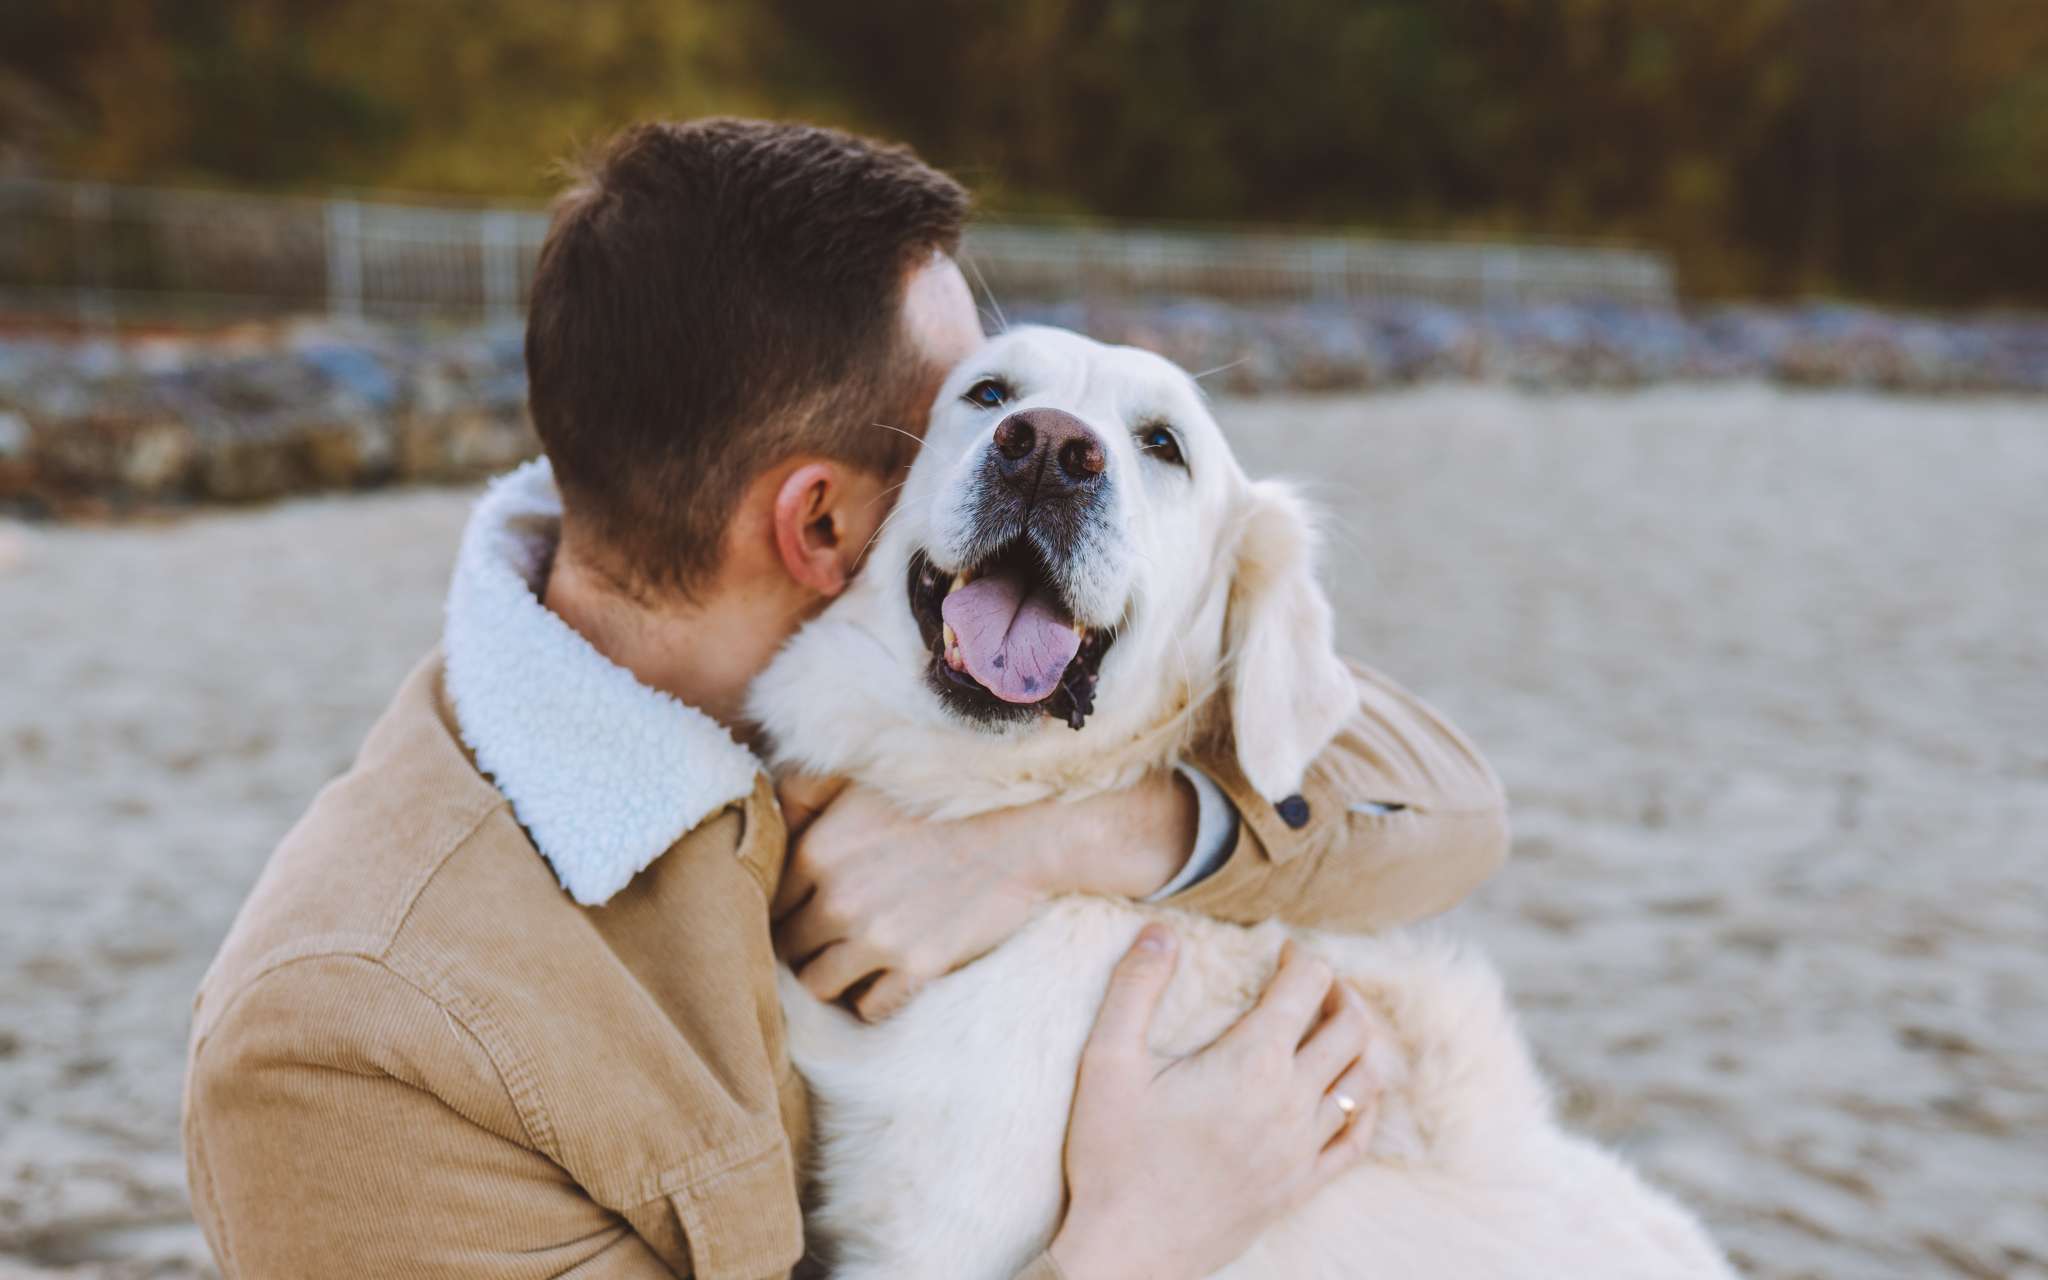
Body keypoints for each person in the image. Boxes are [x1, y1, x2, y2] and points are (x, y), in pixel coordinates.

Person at [182, 118, 1510, 1279]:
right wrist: (1131, 1247)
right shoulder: (348, 1045)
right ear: (821, 523)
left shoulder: (939, 707)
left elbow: (1440, 800)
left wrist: (1056, 843)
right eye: (973, 419)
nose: (1038, 450)